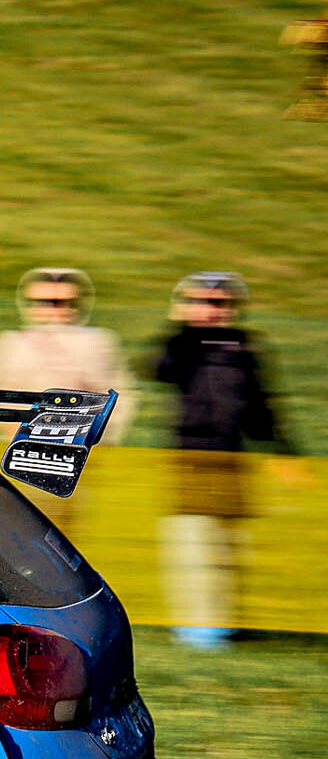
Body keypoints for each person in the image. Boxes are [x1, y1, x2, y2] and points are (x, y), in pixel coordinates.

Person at [152, 272, 295, 649]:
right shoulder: (181, 345)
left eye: (220, 303)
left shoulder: (245, 348)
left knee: (229, 549)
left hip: (232, 461)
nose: (212, 310)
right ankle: (197, 629)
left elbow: (260, 405)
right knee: (193, 544)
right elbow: (160, 368)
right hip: (190, 461)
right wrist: (184, 328)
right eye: (201, 302)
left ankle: (227, 622)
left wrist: (282, 449)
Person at [0, 267, 136, 443]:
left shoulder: (98, 343)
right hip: (19, 441)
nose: (55, 309)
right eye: (44, 302)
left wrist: (100, 436)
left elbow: (119, 398)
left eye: (65, 302)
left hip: (80, 444)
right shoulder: (11, 343)